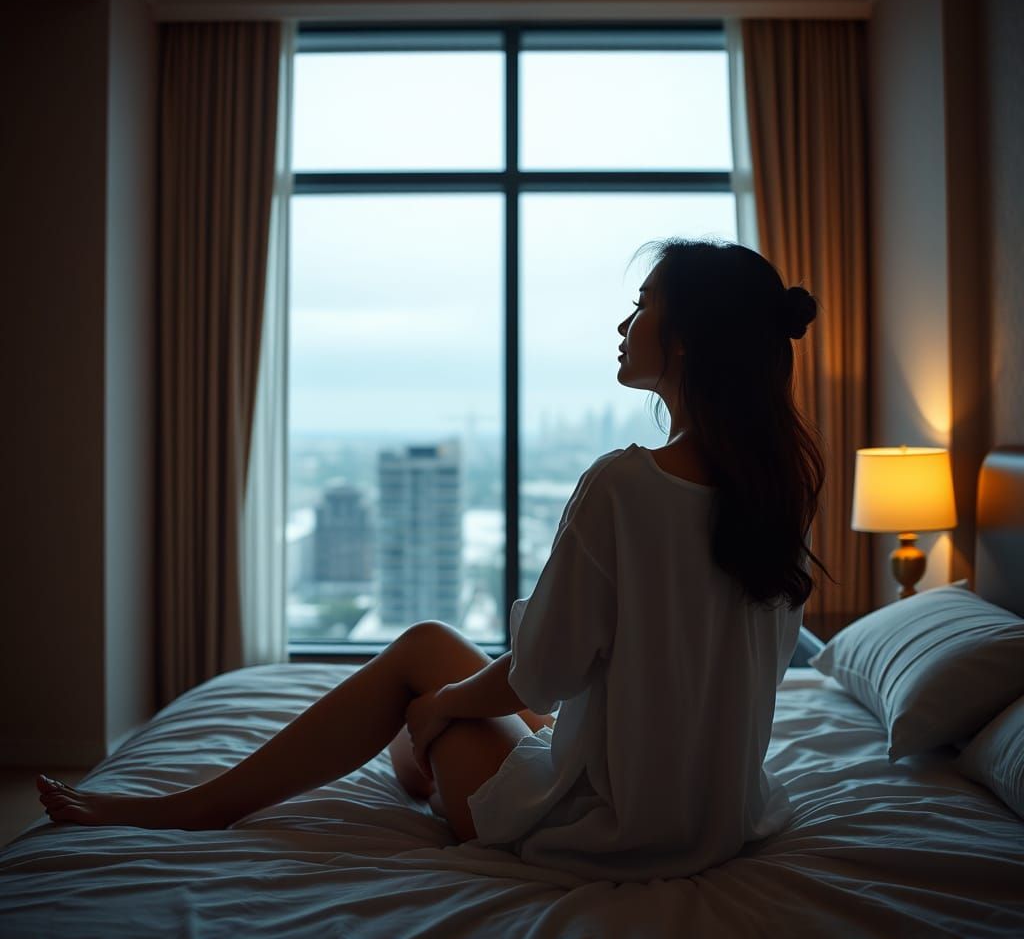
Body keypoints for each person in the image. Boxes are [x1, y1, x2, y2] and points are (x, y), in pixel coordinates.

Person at [37, 237, 831, 882]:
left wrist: (449, 704)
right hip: (719, 822)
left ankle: (206, 806)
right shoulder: (778, 489)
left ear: (686, 337)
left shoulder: (625, 484)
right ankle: (416, 750)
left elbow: (536, 675)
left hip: (604, 833)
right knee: (443, 676)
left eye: (641, 306)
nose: (623, 326)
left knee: (424, 654)